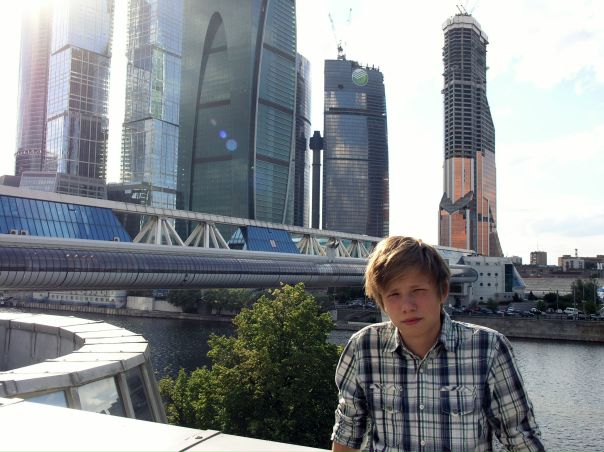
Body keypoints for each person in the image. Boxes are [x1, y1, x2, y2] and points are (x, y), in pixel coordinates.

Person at [331, 236, 545, 452]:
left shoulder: (488, 348)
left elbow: (520, 438)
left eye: (418, 291)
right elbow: (347, 432)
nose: (407, 306)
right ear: (382, 302)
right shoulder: (363, 348)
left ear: (442, 291)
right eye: (394, 294)